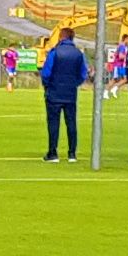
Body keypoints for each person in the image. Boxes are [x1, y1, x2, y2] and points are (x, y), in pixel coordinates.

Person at [38, 25, 89, 163]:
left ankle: (53, 153)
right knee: (71, 123)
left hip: (54, 92)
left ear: (61, 37)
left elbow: (46, 72)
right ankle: (72, 153)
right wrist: (74, 84)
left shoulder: (54, 52)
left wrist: (48, 85)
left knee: (53, 123)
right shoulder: (79, 54)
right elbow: (83, 73)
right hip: (70, 93)